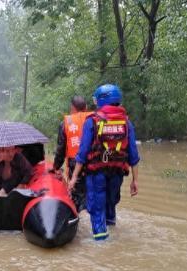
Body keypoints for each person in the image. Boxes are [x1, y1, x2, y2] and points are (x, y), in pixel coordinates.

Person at [68, 84, 140, 241]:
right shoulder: (127, 123)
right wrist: (135, 180)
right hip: (117, 173)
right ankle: (112, 232)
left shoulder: (92, 121)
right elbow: (133, 154)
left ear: (101, 101)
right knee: (110, 204)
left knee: (96, 209)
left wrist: (73, 178)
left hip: (96, 174)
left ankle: (101, 244)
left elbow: (82, 153)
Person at [51, 96, 93, 212]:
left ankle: (78, 219)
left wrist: (56, 167)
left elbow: (61, 149)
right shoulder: (95, 119)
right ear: (86, 108)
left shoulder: (66, 123)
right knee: (92, 194)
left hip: (75, 165)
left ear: (72, 108)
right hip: (94, 162)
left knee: (77, 196)